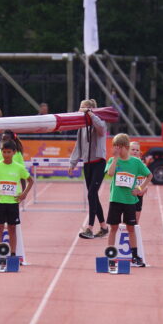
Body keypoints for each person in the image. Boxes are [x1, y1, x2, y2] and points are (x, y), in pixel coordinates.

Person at [104, 133, 149, 267]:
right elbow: (110, 174)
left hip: (129, 200)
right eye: (114, 147)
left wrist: (139, 188)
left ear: (125, 147)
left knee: (131, 228)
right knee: (113, 228)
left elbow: (149, 175)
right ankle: (111, 256)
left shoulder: (135, 162)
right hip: (116, 199)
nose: (115, 150)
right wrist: (116, 157)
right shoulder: (112, 160)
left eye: (118, 148)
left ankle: (135, 256)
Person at [0, 139, 32, 256]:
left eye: (9, 152)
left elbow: (30, 180)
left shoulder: (18, 167)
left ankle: (13, 253)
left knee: (12, 228)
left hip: (13, 203)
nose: (6, 155)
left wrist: (24, 193)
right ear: (1, 152)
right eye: (4, 152)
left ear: (14, 152)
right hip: (0, 202)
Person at [70, 99, 109, 239]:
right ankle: (104, 227)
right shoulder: (81, 126)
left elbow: (101, 129)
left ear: (91, 109)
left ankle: (90, 228)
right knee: (93, 195)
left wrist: (91, 114)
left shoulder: (100, 121)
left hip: (99, 162)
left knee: (91, 194)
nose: (80, 110)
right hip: (87, 163)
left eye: (83, 108)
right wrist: (72, 163)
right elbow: (78, 145)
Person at [130, 141, 147, 224]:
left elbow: (147, 178)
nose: (135, 151)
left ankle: (134, 231)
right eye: (133, 149)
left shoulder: (143, 165)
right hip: (128, 194)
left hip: (139, 193)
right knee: (127, 216)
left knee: (137, 216)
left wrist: (144, 188)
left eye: (137, 150)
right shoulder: (126, 163)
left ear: (140, 152)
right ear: (128, 151)